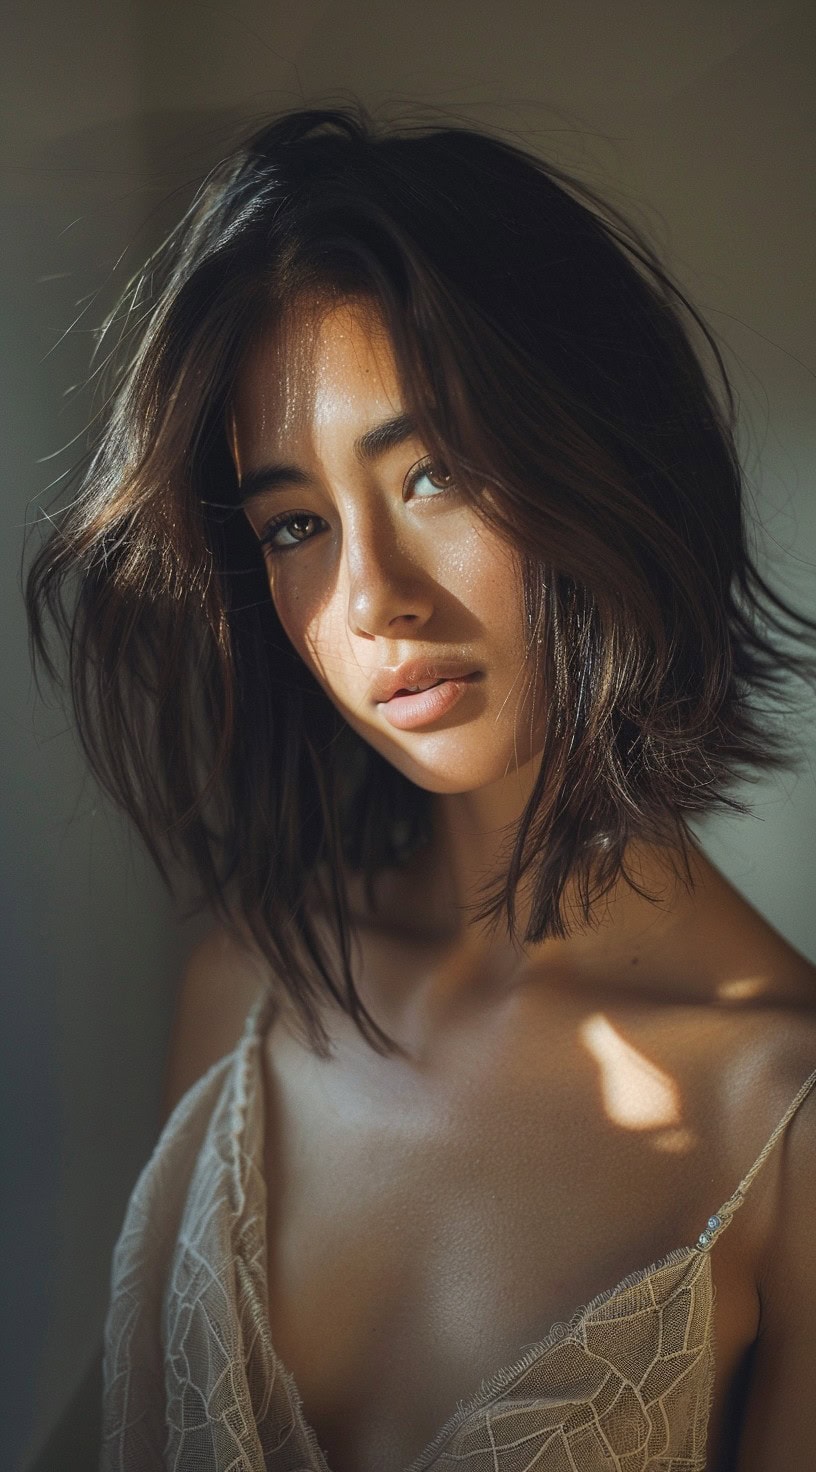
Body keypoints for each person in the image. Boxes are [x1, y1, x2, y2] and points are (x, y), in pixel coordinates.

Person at [26, 102, 816, 1471]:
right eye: (295, 525)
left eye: (435, 473)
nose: (372, 598)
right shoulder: (248, 993)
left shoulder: (780, 1114)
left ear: (602, 456)